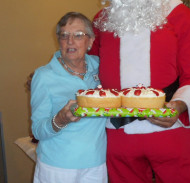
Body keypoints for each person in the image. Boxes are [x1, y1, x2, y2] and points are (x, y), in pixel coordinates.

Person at [89, 0, 190, 182]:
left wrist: (179, 105)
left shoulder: (180, 14)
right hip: (118, 134)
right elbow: (88, 67)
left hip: (169, 131)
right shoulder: (102, 19)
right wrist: (53, 75)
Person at [31, 12, 107, 183]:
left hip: (96, 164)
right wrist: (60, 119)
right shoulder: (43, 76)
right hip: (58, 167)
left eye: (78, 35)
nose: (70, 41)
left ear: (91, 41)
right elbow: (37, 129)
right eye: (64, 35)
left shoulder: (102, 67)